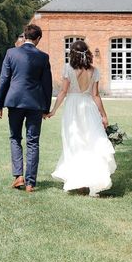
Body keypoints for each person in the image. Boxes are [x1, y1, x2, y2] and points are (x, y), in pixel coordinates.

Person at [45, 40, 116, 196]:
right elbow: (95, 95)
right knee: (91, 143)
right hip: (89, 107)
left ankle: (80, 181)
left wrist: (53, 110)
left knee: (74, 143)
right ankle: (90, 182)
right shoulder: (94, 71)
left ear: (72, 54)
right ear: (87, 53)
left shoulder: (68, 69)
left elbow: (63, 92)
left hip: (72, 108)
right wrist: (103, 115)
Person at [0, 24, 52, 193]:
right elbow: (47, 85)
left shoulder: (11, 53)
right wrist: (46, 108)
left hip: (15, 102)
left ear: (25, 36)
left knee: (15, 138)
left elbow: (4, 80)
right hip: (35, 104)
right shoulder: (43, 57)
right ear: (38, 39)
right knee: (33, 141)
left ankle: (18, 176)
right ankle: (30, 183)